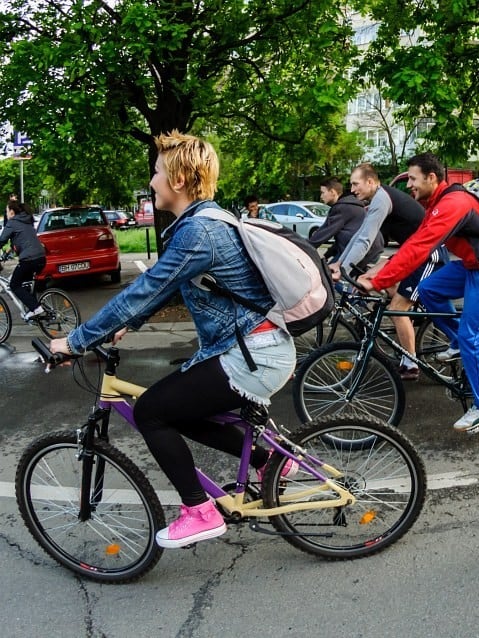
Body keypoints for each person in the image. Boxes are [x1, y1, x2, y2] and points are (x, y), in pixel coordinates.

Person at [49, 131, 296, 549]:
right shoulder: (203, 223)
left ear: (178, 181)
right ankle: (268, 459)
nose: (152, 181)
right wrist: (129, 323)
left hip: (252, 354)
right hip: (254, 348)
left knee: (151, 412)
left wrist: (74, 341)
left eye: (157, 172)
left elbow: (142, 290)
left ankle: (198, 512)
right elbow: (167, 290)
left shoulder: (197, 232)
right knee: (180, 412)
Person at [355, 153, 479, 430]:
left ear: (431, 177)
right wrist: (378, 270)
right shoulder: (438, 203)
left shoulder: (454, 203)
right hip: (473, 266)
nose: (408, 184)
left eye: (412, 178)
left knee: (473, 334)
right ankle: (457, 341)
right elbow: (414, 242)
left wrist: (380, 281)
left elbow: (421, 247)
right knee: (428, 289)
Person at [344, 163, 448, 381]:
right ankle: (407, 319)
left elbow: (365, 240)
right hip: (411, 254)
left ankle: (411, 364)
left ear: (370, 182)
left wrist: (341, 268)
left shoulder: (382, 198)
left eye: (355, 183)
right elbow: (363, 235)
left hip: (428, 255)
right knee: (370, 279)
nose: (352, 189)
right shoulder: (377, 201)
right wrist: (340, 264)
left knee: (397, 308)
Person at [308, 177, 383, 270]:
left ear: (332, 192)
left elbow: (322, 235)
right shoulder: (351, 205)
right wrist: (327, 255)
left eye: (323, 192)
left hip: (363, 250)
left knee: (330, 276)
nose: (321, 196)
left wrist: (303, 248)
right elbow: (343, 240)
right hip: (372, 248)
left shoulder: (341, 208)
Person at [0, 200, 47, 319]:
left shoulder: (12, 222)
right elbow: (22, 239)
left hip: (29, 260)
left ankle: (36, 308)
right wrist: (8, 252)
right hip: (41, 257)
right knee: (25, 284)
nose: (6, 214)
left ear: (11, 211)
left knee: (14, 284)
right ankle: (35, 311)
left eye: (6, 211)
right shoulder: (27, 220)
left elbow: (1, 240)